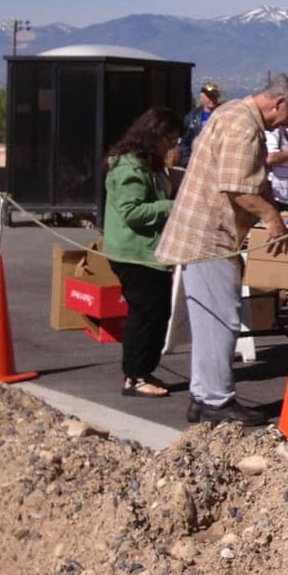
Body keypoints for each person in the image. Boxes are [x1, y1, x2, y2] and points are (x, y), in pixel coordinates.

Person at [155, 73, 288, 425]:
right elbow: (236, 187)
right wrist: (272, 217)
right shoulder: (244, 126)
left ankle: (203, 394)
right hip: (210, 235)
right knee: (221, 317)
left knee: (208, 317)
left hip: (202, 232)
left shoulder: (230, 112)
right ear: (278, 103)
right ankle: (215, 400)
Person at [102, 107, 183, 398]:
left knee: (158, 313)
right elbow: (132, 212)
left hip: (148, 251)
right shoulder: (130, 168)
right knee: (144, 315)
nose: (172, 146)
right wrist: (175, 206)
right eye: (169, 140)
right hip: (134, 253)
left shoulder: (148, 164)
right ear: (154, 136)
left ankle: (144, 370)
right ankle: (134, 376)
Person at [179, 82, 221, 166]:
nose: (212, 99)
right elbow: (184, 141)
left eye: (214, 96)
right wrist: (187, 161)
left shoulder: (224, 116)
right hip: (196, 162)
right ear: (202, 98)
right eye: (209, 97)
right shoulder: (192, 117)